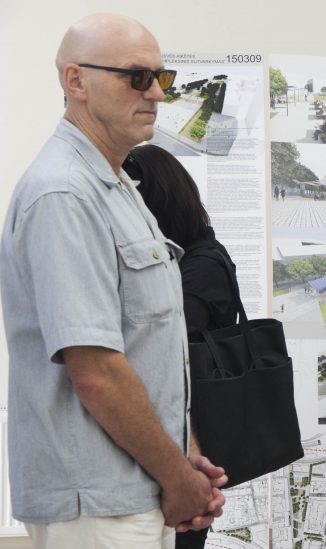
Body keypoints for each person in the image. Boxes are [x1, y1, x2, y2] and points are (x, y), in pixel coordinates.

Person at [0, 14, 226, 549]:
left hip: (137, 490)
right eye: (136, 77)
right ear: (76, 81)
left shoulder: (116, 186)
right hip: (98, 502)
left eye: (162, 78)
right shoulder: (64, 194)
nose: (157, 94)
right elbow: (97, 372)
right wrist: (178, 477)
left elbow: (151, 349)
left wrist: (184, 458)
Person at [124, 144, 238, 549]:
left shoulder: (201, 264)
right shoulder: (186, 260)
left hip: (188, 443)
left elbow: (162, 341)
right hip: (171, 438)